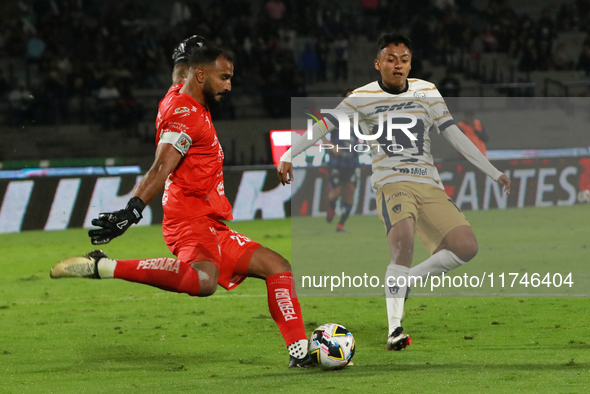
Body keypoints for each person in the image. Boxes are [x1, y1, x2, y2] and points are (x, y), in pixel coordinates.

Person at [50, 36, 313, 368]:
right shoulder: (184, 114)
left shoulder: (180, 94)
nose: (229, 86)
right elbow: (162, 166)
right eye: (224, 77)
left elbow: (181, 75)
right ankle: (104, 267)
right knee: (204, 282)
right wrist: (132, 210)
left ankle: (301, 352)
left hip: (209, 221)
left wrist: (184, 55)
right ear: (201, 76)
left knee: (278, 267)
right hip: (189, 220)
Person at [277, 33, 511, 351]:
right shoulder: (362, 97)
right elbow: (324, 124)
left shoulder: (427, 91)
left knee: (465, 246)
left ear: (410, 63)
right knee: (403, 244)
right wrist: (291, 153)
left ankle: (405, 281)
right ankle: (394, 330)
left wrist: (493, 171)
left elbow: (455, 135)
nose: (398, 64)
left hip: (429, 183)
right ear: (378, 64)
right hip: (392, 182)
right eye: (391, 59)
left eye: (404, 59)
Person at [323, 88, 360, 232]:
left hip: (352, 162)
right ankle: (331, 207)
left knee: (350, 190)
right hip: (336, 163)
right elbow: (320, 132)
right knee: (337, 192)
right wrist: (331, 146)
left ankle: (341, 224)